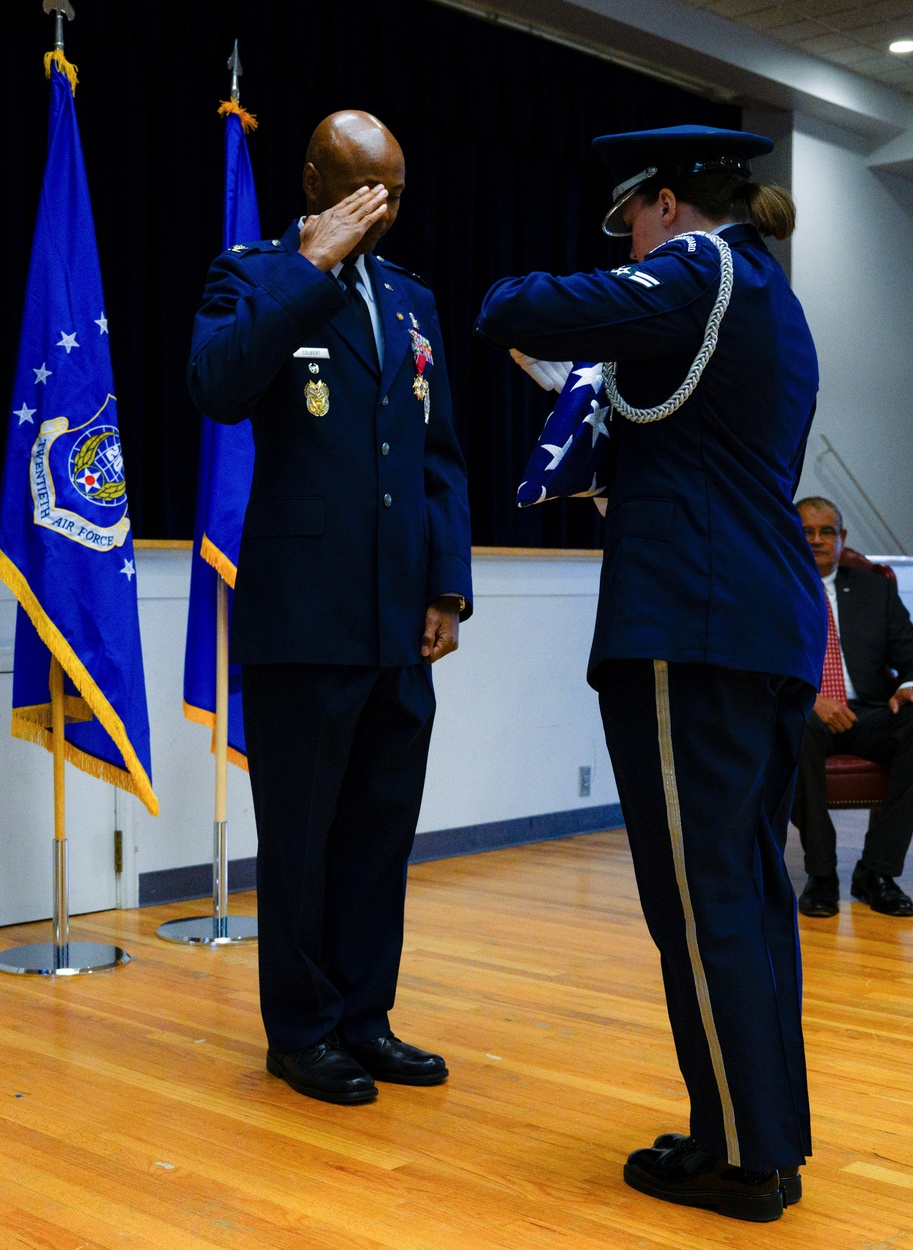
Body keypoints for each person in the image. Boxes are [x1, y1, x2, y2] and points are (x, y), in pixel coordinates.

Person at [476, 125, 825, 1223]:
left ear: (666, 202)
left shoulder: (695, 269)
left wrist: (589, 317)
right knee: (749, 892)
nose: (623, 236)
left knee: (700, 897)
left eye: (627, 216)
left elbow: (509, 305)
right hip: (755, 617)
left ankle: (735, 1158)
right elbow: (672, 426)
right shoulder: (767, 295)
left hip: (693, 618)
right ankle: (763, 1129)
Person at [189, 111, 472, 1105]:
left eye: (394, 190)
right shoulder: (252, 273)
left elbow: (437, 458)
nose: (380, 209)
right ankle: (301, 1030)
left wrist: (448, 587)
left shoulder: (411, 302)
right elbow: (218, 386)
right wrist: (309, 269)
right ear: (313, 179)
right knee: (305, 838)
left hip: (400, 618)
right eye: (361, 187)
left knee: (379, 832)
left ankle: (364, 1015)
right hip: (303, 616)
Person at [792, 497, 913, 919]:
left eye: (826, 531)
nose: (816, 540)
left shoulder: (873, 589)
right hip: (803, 714)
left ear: (842, 538)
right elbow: (749, 666)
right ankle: (822, 874)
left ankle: (876, 871)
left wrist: (911, 686)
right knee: (793, 727)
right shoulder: (770, 591)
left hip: (868, 712)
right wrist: (809, 701)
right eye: (806, 531)